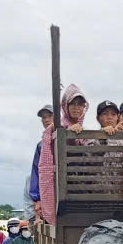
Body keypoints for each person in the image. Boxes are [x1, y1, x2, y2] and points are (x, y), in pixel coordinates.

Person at [38, 84, 89, 224]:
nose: (77, 108)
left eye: (80, 104)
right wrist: (69, 133)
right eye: (72, 104)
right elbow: (45, 166)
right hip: (62, 186)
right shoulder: (54, 129)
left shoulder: (85, 131)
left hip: (82, 186)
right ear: (65, 106)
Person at [28, 105, 54, 220]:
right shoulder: (41, 145)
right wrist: (37, 199)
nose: (47, 120)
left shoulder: (68, 137)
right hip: (48, 191)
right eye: (44, 118)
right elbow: (36, 172)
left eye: (50, 116)